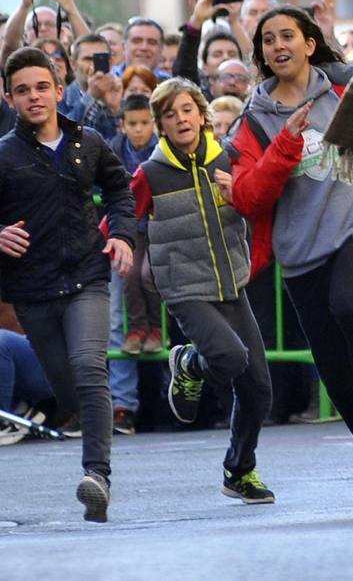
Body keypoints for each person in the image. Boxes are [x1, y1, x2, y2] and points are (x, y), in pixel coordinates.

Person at [230, 6, 353, 515]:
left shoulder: (346, 89)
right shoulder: (255, 119)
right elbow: (247, 197)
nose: (277, 45)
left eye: (288, 35)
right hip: (300, 252)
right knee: (332, 369)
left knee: (351, 306)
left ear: (311, 43)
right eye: (268, 39)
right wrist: (285, 144)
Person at [0, 46, 135, 523]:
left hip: (85, 277)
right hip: (32, 291)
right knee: (70, 387)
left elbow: (121, 190)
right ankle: (92, 438)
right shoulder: (4, 154)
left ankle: (96, 476)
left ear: (59, 90)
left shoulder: (90, 141)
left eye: (42, 87)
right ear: (9, 97)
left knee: (88, 365)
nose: (34, 97)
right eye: (22, 90)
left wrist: (120, 234)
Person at [133, 77, 274, 505]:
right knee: (230, 357)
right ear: (161, 124)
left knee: (259, 390)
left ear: (201, 113)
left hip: (231, 282)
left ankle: (239, 470)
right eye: (170, 114)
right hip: (183, 287)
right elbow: (121, 218)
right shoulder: (150, 174)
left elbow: (259, 196)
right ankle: (190, 363)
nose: (180, 119)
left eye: (187, 110)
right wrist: (119, 244)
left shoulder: (228, 159)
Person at [108, 93, 162, 356]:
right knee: (128, 274)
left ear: (153, 122)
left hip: (158, 227)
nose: (139, 129)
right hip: (132, 227)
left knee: (148, 274)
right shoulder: (113, 149)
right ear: (122, 124)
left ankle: (156, 328)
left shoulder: (162, 149)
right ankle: (138, 328)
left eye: (144, 122)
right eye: (132, 123)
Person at [1, 0, 91, 64]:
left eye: (49, 24)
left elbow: (89, 48)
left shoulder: (69, 62)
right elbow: (10, 43)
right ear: (25, 35)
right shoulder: (19, 62)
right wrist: (24, 5)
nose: (43, 28)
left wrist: (71, 9)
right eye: (36, 25)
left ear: (61, 31)